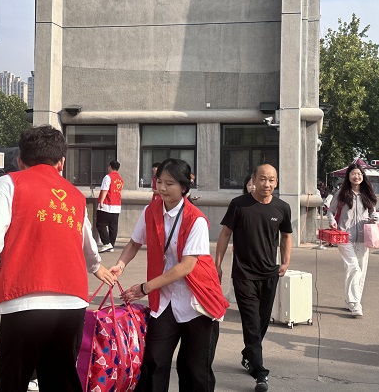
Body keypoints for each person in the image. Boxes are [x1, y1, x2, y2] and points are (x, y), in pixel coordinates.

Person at [0, 125, 116, 392]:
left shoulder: (8, 185)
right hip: (70, 304)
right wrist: (96, 267)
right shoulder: (74, 195)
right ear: (61, 162)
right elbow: (88, 243)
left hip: (19, 302)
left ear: (20, 159)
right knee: (61, 382)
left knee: (9, 384)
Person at [110, 158, 228, 392]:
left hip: (197, 301)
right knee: (154, 360)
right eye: (159, 181)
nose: (162, 188)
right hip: (165, 300)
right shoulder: (150, 211)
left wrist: (145, 287)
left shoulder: (196, 220)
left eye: (169, 183)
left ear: (184, 187)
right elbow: (134, 243)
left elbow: (185, 267)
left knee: (194, 369)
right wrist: (120, 265)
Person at [215, 164, 292, 392]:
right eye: (262, 179)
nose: (266, 184)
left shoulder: (282, 208)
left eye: (271, 180)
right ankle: (260, 373)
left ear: (276, 182)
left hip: (269, 274)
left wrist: (285, 261)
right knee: (251, 323)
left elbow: (286, 236)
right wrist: (217, 265)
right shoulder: (239, 204)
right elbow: (225, 234)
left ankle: (248, 354)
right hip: (244, 274)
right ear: (254, 180)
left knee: (262, 321)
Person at [327, 162, 378, 318]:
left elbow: (373, 211)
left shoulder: (367, 194)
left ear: (363, 177)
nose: (357, 176)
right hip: (344, 236)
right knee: (353, 266)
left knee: (360, 269)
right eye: (354, 174)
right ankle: (355, 303)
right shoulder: (341, 193)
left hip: (363, 236)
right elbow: (330, 211)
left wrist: (374, 218)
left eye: (359, 174)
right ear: (348, 176)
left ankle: (351, 301)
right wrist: (332, 221)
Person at [97, 160, 124, 252]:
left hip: (107, 204)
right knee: (113, 226)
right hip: (116, 205)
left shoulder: (108, 177)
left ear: (110, 167)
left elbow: (105, 189)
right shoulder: (120, 179)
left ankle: (106, 243)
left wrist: (101, 201)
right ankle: (111, 245)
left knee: (100, 224)